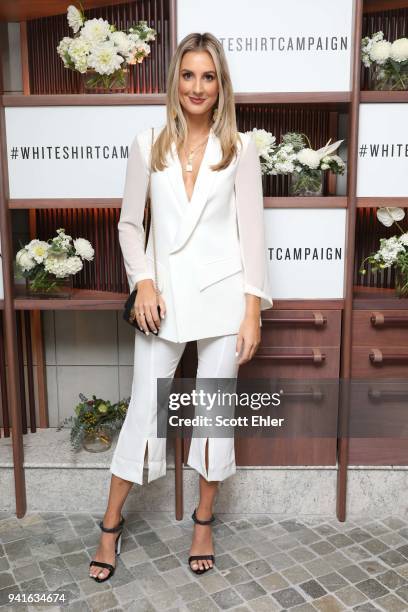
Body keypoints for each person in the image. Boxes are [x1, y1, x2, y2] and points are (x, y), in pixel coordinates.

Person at [89, 31, 273, 583]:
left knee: (214, 416)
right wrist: (143, 282)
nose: (197, 87)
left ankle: (203, 522)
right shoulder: (148, 143)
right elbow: (129, 223)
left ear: (221, 86)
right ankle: (110, 524)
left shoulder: (240, 150)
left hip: (223, 299)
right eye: (189, 75)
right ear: (176, 80)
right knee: (144, 409)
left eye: (208, 77)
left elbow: (252, 235)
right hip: (162, 302)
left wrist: (251, 312)